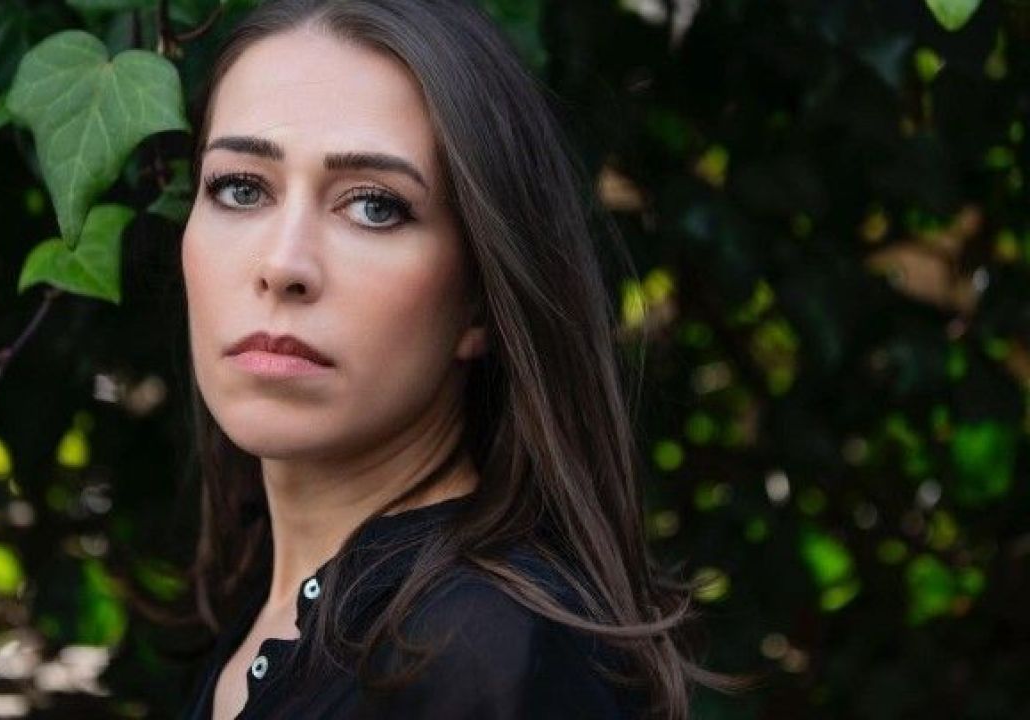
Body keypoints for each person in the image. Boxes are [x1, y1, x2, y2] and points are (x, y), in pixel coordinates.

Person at [175, 1, 743, 718]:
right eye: (240, 188)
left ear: (479, 298)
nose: (283, 264)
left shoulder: (486, 650)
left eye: (374, 206)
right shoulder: (269, 623)